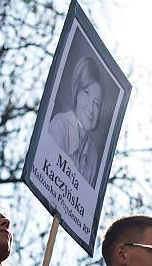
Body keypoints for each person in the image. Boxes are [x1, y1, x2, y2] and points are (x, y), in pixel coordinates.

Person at [49, 55, 105, 187]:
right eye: (86, 92)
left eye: (96, 103)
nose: (91, 108)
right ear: (77, 91)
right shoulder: (59, 126)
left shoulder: (93, 155)